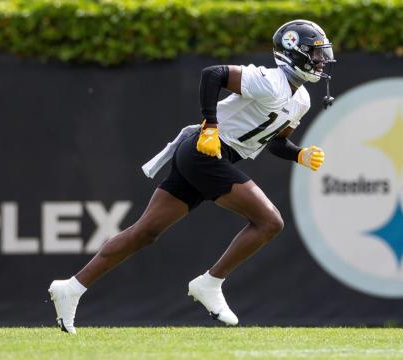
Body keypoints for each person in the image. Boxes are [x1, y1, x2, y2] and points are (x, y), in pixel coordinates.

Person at [48, 19, 335, 334]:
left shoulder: (302, 99)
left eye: (323, 55)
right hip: (204, 151)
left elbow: (276, 141)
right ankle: (210, 283)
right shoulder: (270, 81)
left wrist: (298, 154)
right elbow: (213, 74)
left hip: (209, 154)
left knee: (145, 232)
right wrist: (210, 126)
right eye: (315, 54)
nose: (321, 61)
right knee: (270, 222)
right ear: (294, 52)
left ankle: (71, 287)